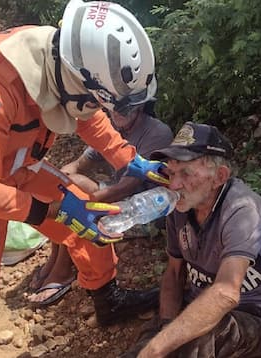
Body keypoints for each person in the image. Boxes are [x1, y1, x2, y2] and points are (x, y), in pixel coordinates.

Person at [0, 1, 167, 356]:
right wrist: (53, 210)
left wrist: (131, 160)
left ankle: (107, 299)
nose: (98, 110)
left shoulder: (62, 61)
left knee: (89, 216)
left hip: (12, 160)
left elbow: (87, 114)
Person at [122, 122, 261, 358]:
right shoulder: (180, 208)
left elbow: (226, 293)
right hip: (198, 303)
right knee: (149, 343)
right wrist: (166, 325)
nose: (175, 184)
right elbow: (174, 273)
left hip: (252, 313)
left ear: (219, 177)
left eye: (186, 173)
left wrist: (157, 350)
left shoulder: (242, 210)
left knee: (196, 343)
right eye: (172, 173)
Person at [26, 102, 174, 306]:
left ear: (140, 105)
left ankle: (63, 270)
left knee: (74, 202)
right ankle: (55, 259)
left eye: (125, 105)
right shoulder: (114, 127)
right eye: (113, 105)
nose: (117, 111)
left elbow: (126, 187)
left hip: (143, 207)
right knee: (64, 189)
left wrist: (83, 204)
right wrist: (62, 179)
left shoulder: (157, 132)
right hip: (118, 193)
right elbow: (80, 163)